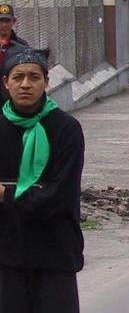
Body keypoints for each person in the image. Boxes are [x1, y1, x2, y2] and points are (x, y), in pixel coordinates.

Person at [0, 48, 85, 313]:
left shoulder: (66, 129)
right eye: (18, 77)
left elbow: (59, 196)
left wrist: (6, 194)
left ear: (46, 82)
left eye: (34, 77)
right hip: (6, 256)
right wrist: (34, 192)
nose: (25, 84)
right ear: (5, 82)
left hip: (54, 255)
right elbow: (45, 192)